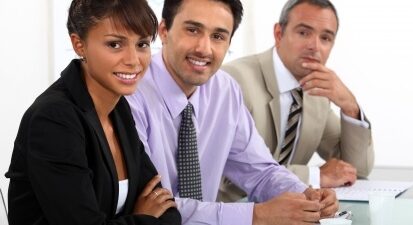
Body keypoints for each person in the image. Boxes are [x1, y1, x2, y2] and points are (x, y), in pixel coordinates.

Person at [126, 0, 338, 225]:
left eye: (218, 36)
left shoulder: (225, 90)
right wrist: (257, 216)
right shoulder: (131, 92)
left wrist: (306, 196)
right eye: (192, 30)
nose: (204, 48)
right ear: (164, 31)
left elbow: (260, 171)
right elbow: (149, 205)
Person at [5, 0, 181, 224]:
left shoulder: (119, 108)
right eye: (115, 44)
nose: (133, 60)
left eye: (142, 44)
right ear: (79, 45)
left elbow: (167, 209)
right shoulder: (54, 119)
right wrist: (142, 217)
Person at [220, 0, 374, 201]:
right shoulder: (234, 81)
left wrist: (350, 106)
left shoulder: (315, 92)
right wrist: (315, 176)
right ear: (278, 34)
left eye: (325, 38)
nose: (314, 46)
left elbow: (356, 169)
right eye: (303, 33)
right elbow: (228, 174)